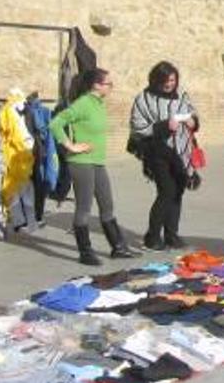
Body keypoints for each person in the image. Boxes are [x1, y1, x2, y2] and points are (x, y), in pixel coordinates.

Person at [48, 69, 139, 266]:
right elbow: (55, 123)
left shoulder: (99, 104)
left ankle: (119, 247)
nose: (111, 87)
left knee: (107, 205)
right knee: (84, 208)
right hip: (81, 162)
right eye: (108, 84)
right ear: (96, 85)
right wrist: (70, 145)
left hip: (97, 161)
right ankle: (85, 252)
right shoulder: (83, 104)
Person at [129, 61, 199, 251]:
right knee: (166, 191)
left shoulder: (181, 95)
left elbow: (191, 113)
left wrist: (192, 121)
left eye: (173, 79)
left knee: (178, 192)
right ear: (156, 79)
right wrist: (164, 126)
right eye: (166, 80)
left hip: (181, 151)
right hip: (156, 151)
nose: (170, 84)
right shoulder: (143, 98)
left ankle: (171, 235)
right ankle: (152, 237)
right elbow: (138, 127)